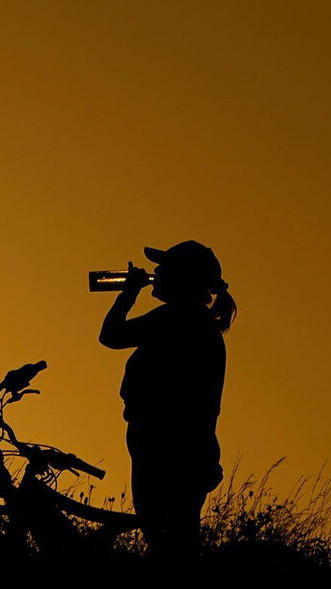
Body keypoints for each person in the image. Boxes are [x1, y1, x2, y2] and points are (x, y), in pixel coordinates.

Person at [98, 240, 236, 560]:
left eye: (164, 269)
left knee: (168, 538)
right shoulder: (192, 319)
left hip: (167, 442)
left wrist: (128, 294)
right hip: (183, 444)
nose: (155, 274)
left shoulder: (177, 317)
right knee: (175, 536)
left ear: (180, 278)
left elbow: (111, 336)